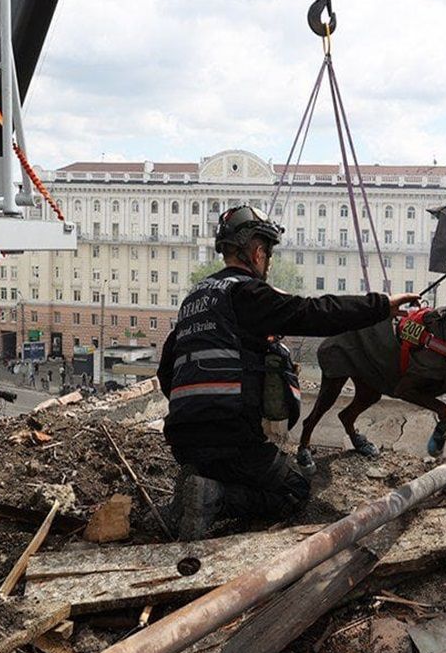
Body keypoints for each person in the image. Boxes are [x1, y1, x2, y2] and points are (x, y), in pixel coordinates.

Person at [158, 204, 421, 540]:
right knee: (294, 490)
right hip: (231, 437)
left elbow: (168, 372)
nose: (267, 261)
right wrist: (381, 305)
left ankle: (197, 483)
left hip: (182, 439)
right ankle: (216, 497)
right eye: (267, 252)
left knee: (236, 464)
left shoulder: (193, 301)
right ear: (257, 252)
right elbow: (311, 312)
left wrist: (196, 410)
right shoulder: (247, 293)